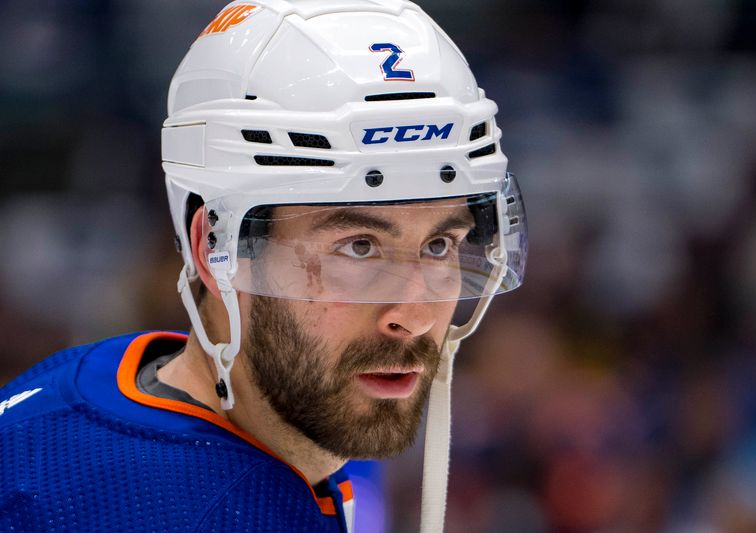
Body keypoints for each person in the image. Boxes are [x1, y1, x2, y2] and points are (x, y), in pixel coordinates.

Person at [0, 1, 527, 531]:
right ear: (216, 250)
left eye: (439, 245)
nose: (413, 314)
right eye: (359, 247)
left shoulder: (97, 377)